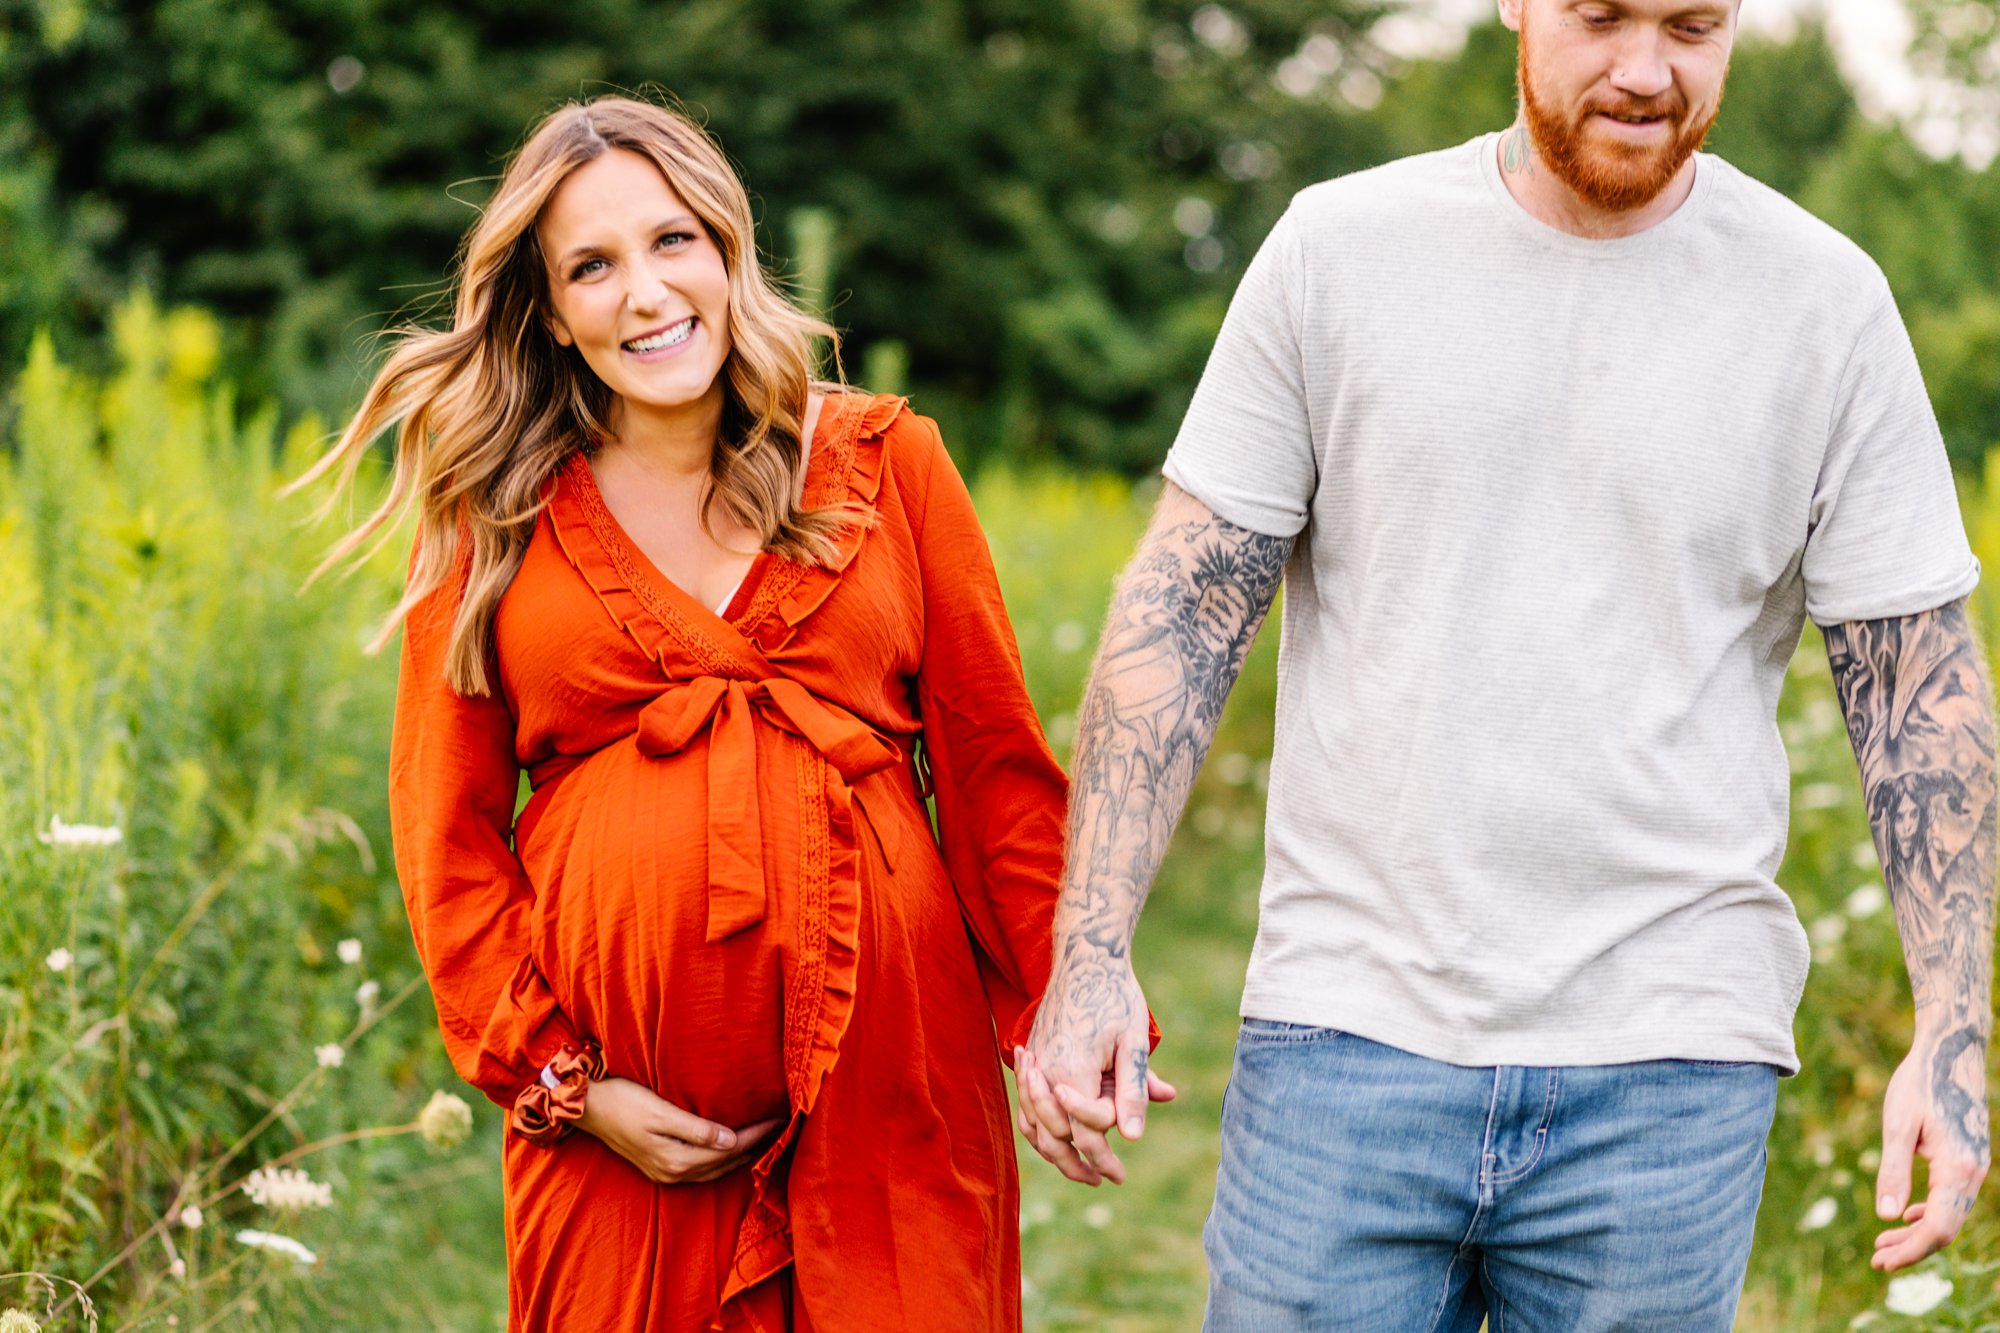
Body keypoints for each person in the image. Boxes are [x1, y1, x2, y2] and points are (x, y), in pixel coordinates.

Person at [1014, 0, 1997, 1327]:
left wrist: (1953, 1023)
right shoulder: (1339, 253)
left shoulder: (1826, 304)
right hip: (1346, 1032)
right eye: (1600, 17)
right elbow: (1183, 614)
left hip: (1673, 1059)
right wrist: (1089, 950)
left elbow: (1919, 696)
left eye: (1693, 25)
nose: (1647, 71)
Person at [297, 95, 1092, 1331]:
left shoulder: (889, 463)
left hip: (893, 1097)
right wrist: (571, 1086)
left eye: (672, 241)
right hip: (619, 1154)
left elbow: (998, 776)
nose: (644, 292)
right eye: (591, 267)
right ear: (551, 314)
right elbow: (444, 839)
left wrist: (1065, 1005)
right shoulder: (491, 521)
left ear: (728, 252)